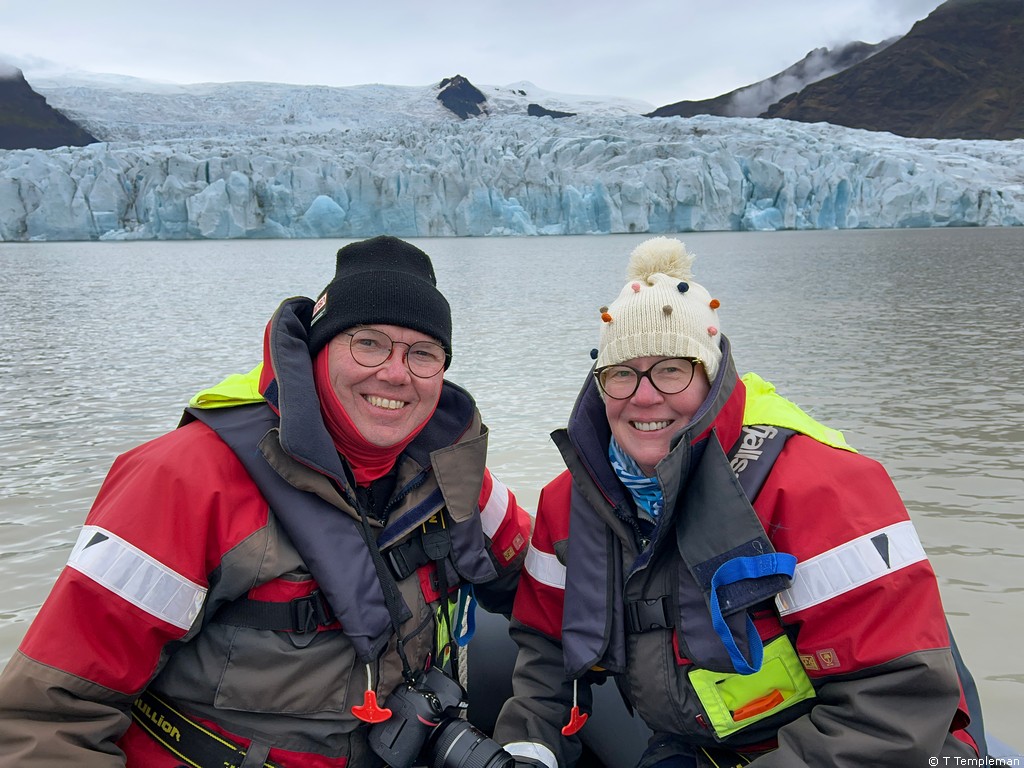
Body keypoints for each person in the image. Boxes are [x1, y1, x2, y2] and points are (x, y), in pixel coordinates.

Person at [0, 235, 531, 767]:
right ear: (320, 350)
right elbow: (49, 717)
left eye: (422, 354)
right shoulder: (184, 480)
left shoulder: (451, 476)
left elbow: (546, 575)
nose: (395, 373)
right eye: (368, 342)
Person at [493, 237, 985, 768]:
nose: (643, 395)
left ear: (711, 378)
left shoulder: (816, 488)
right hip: (699, 747)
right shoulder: (569, 503)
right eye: (621, 373)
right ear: (600, 384)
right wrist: (528, 747)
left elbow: (895, 705)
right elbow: (548, 655)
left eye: (671, 370)